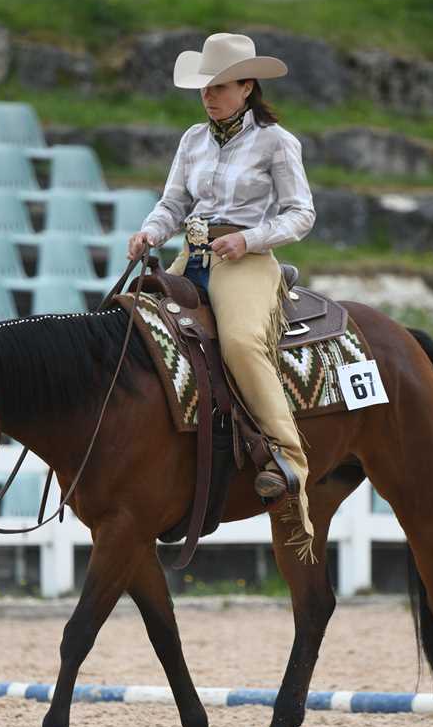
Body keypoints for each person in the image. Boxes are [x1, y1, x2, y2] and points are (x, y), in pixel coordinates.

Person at [127, 32, 316, 562]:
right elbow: (172, 203)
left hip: (245, 260)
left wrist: (249, 240)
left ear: (247, 87)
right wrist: (149, 232)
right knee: (131, 325)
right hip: (192, 255)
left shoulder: (277, 142)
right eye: (205, 88)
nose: (208, 96)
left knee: (240, 342)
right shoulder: (192, 139)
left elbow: (301, 213)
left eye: (220, 87)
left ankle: (288, 460)